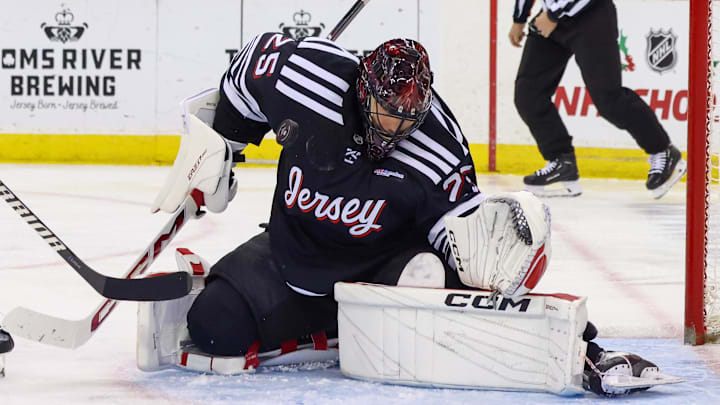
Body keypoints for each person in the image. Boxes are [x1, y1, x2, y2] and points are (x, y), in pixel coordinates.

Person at [142, 32, 676, 397]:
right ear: (362, 88)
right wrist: (225, 146)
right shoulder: (303, 75)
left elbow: (479, 260)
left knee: (430, 273)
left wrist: (580, 347)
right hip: (290, 253)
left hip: (378, 271)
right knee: (212, 329)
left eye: (408, 119)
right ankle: (336, 326)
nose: (394, 129)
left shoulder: (439, 150)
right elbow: (241, 80)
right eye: (385, 112)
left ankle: (352, 318)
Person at [510, 0, 687, 199]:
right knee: (528, 94)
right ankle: (562, 162)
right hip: (551, 17)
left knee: (609, 98)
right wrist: (520, 18)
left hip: (591, 16)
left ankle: (662, 150)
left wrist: (553, 15)